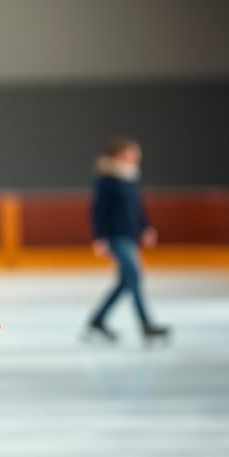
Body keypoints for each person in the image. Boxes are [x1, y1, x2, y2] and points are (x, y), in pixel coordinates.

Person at [83, 136, 171, 344]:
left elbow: (137, 207)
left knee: (125, 282)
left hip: (130, 235)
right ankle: (146, 325)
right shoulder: (106, 179)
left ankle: (97, 320)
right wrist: (100, 237)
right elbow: (98, 210)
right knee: (134, 276)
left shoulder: (130, 177)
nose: (134, 158)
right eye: (130, 154)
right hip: (115, 236)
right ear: (117, 155)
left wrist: (145, 227)